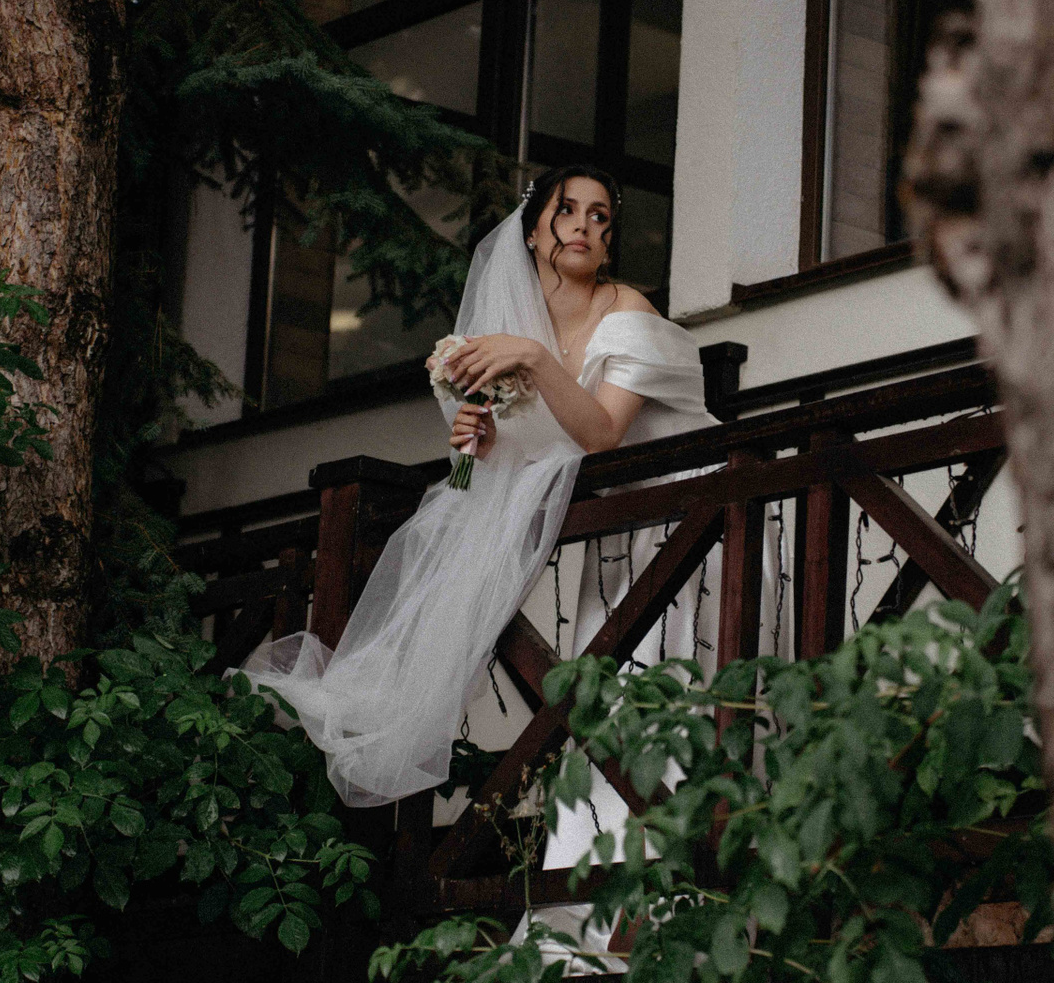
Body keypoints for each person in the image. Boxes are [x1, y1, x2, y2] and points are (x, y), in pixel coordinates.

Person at [234, 166, 720, 808]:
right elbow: (514, 461)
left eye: (600, 216)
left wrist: (534, 359)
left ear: (608, 244)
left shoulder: (625, 310)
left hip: (700, 512)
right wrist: (483, 445)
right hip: (621, 525)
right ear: (531, 231)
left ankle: (697, 840)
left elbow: (601, 433)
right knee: (606, 700)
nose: (583, 224)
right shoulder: (519, 331)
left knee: (678, 687)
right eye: (566, 209)